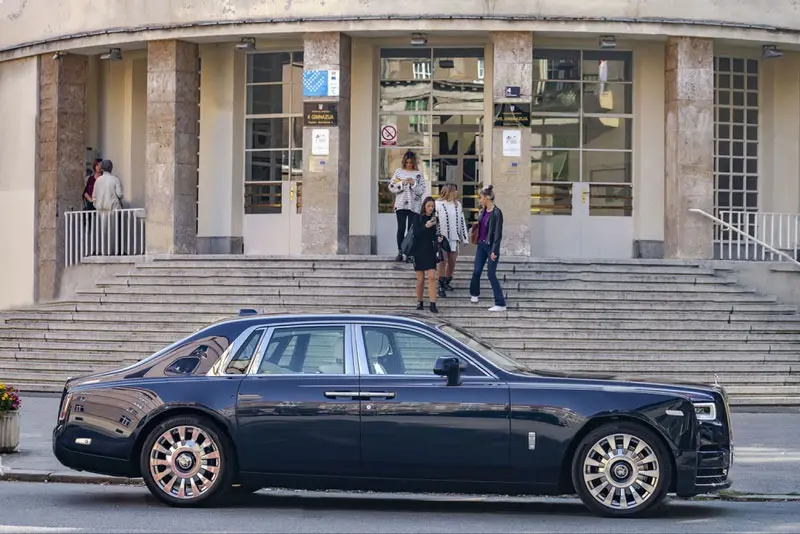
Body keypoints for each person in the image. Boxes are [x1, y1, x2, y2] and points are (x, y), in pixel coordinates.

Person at [469, 184, 506, 312]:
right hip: (481, 245)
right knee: (477, 271)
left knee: (491, 274)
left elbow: (498, 233)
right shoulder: (483, 211)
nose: (479, 200)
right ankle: (474, 293)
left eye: (481, 197)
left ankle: (500, 303)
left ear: (487, 198)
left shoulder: (497, 212)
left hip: (491, 247)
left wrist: (494, 251)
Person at [388, 150, 426, 262]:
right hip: (401, 205)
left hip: (414, 206)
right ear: (404, 162)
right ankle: (400, 252)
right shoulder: (398, 172)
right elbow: (391, 187)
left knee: (411, 230)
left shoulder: (418, 174)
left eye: (411, 162)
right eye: (407, 162)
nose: (409, 164)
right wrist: (402, 183)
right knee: (401, 228)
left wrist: (413, 183)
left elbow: (421, 190)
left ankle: (409, 253)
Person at [434, 183, 469, 297]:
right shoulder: (437, 204)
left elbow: (462, 221)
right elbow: (434, 220)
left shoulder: (457, 205)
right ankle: (441, 283)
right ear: (449, 191)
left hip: (454, 238)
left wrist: (464, 238)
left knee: (452, 261)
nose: (456, 192)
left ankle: (447, 280)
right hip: (442, 238)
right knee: (442, 261)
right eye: (454, 190)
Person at [412, 196, 441, 313]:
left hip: (430, 250)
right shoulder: (417, 218)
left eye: (432, 206)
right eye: (428, 206)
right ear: (424, 206)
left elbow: (434, 235)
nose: (430, 208)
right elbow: (416, 234)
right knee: (420, 279)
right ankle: (419, 302)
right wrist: (425, 226)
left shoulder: (435, 219)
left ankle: (433, 303)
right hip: (418, 250)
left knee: (432, 276)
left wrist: (439, 237)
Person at [92, 159, 124, 255]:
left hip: (100, 210)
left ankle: (101, 251)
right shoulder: (115, 179)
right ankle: (113, 252)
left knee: (101, 233)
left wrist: (97, 205)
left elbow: (94, 196)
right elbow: (120, 194)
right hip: (112, 210)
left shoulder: (98, 180)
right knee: (113, 233)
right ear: (111, 168)